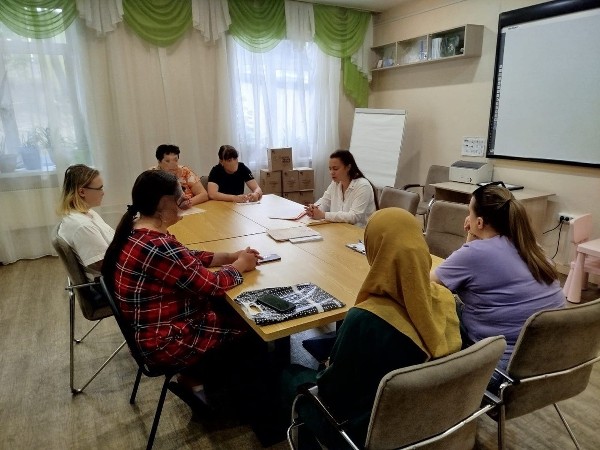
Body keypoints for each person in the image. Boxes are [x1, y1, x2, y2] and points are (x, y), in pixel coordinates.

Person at [284, 208, 461, 449]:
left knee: (290, 375)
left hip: (362, 432)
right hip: (431, 422)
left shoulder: (364, 319)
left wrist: (328, 365)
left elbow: (332, 392)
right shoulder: (446, 300)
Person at [101, 170, 264, 404]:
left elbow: (188, 257)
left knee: (231, 312)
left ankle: (201, 380)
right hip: (168, 342)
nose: (186, 200)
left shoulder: (138, 231)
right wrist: (240, 265)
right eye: (180, 197)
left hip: (151, 334)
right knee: (253, 327)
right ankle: (230, 397)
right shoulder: (158, 246)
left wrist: (230, 256)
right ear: (163, 203)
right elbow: (213, 285)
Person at [431, 183, 566, 390]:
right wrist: (473, 239)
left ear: (479, 222)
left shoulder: (476, 253)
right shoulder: (532, 248)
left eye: (469, 212)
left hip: (500, 372)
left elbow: (428, 285)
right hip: (549, 365)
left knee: (436, 306)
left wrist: (471, 240)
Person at [57, 164, 114, 280]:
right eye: (99, 188)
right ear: (82, 192)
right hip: (112, 282)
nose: (103, 192)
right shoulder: (83, 226)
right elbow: (105, 265)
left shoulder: (88, 213)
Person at [305, 149, 377, 227]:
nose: (331, 172)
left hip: (358, 231)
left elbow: (354, 217)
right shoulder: (335, 183)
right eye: (330, 169)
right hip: (339, 228)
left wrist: (323, 215)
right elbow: (325, 202)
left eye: (335, 169)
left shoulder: (363, 186)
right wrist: (314, 209)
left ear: (348, 167)